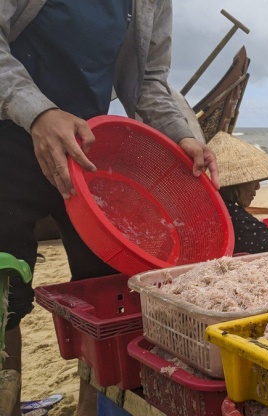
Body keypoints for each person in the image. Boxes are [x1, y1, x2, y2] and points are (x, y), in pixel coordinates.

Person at [0, 2, 218, 415]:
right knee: (4, 286)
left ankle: (92, 408)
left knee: (107, 285)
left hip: (88, 148)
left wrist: (180, 135)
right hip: (8, 133)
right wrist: (39, 113)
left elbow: (150, 81)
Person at [208, 132, 268, 254]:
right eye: (254, 181)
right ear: (237, 182)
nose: (258, 187)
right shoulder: (238, 220)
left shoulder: (211, 207)